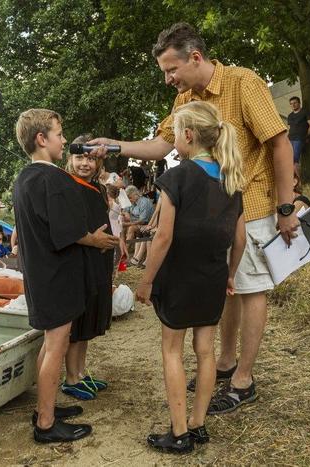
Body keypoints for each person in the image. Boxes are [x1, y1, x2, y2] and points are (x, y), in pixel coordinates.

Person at [88, 22, 298, 416]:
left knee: (251, 289)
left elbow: (280, 143)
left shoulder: (243, 83)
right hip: (212, 213)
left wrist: (285, 208)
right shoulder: (185, 98)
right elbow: (162, 144)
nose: (168, 79)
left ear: (195, 58)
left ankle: (243, 380)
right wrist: (113, 146)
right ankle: (225, 362)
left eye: (171, 70)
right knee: (226, 287)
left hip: (251, 204)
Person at [135, 101, 246, 453]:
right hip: (213, 276)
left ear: (187, 135)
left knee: (172, 350)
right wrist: (230, 274)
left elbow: (163, 237)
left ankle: (179, 433)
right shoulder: (231, 180)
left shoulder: (177, 176)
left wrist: (146, 280)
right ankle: (198, 425)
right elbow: (239, 239)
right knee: (206, 351)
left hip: (179, 277)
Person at [12, 108, 118, 443]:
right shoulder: (53, 179)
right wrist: (96, 239)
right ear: (42, 139)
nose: (63, 141)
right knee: (56, 347)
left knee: (49, 345)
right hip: (57, 277)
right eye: (59, 134)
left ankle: (45, 407)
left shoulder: (24, 178)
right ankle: (45, 424)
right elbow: (67, 230)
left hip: (39, 274)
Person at [61, 135, 115, 401]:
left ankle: (81, 372)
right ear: (70, 158)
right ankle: (71, 377)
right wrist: (95, 241)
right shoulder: (67, 186)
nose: (85, 163)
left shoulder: (98, 188)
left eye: (91, 159)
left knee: (91, 317)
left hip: (98, 262)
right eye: (80, 157)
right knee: (79, 322)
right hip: (79, 261)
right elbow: (69, 228)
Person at [287, 96, 310, 177]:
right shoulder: (290, 115)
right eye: (291, 104)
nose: (293, 105)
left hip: (299, 139)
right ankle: (294, 179)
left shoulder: (305, 112)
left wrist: (305, 136)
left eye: (295, 103)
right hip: (290, 139)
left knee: (294, 160)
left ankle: (299, 180)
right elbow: (289, 128)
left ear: (299, 103)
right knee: (289, 160)